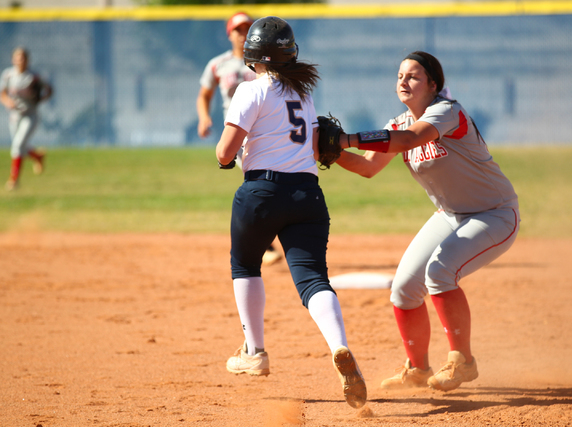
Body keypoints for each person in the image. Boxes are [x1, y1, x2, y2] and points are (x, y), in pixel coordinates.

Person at [335, 51, 520, 392]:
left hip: (494, 212)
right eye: (400, 76)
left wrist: (345, 138)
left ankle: (462, 361)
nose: (403, 81)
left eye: (414, 76)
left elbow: (409, 141)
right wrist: (329, 151)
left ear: (434, 85)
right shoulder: (397, 123)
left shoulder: (447, 112)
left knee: (440, 272)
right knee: (404, 289)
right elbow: (367, 167)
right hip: (451, 214)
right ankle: (418, 369)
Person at [216, 16, 367, 409]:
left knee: (246, 264)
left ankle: (255, 351)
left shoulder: (250, 91)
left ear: (251, 54)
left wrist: (233, 156)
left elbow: (224, 153)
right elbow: (316, 145)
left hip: (262, 192)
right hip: (307, 194)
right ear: (290, 52)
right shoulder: (304, 94)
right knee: (313, 279)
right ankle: (340, 346)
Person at [197, 11, 283, 266]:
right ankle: (266, 241)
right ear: (229, 34)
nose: (242, 33)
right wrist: (203, 118)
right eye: (238, 29)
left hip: (266, 129)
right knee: (258, 182)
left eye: (247, 28)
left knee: (261, 184)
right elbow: (204, 94)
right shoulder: (218, 64)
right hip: (237, 131)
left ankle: (267, 236)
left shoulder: (265, 61)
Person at [1, 47, 53, 191]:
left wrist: (41, 98)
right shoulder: (8, 75)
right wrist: (8, 102)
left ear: (28, 60)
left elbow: (49, 89)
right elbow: (3, 94)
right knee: (19, 146)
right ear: (13, 60)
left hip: (30, 115)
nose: (20, 61)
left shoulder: (34, 77)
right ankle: (37, 156)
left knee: (17, 145)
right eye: (17, 58)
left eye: (22, 58)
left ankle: (14, 181)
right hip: (15, 115)